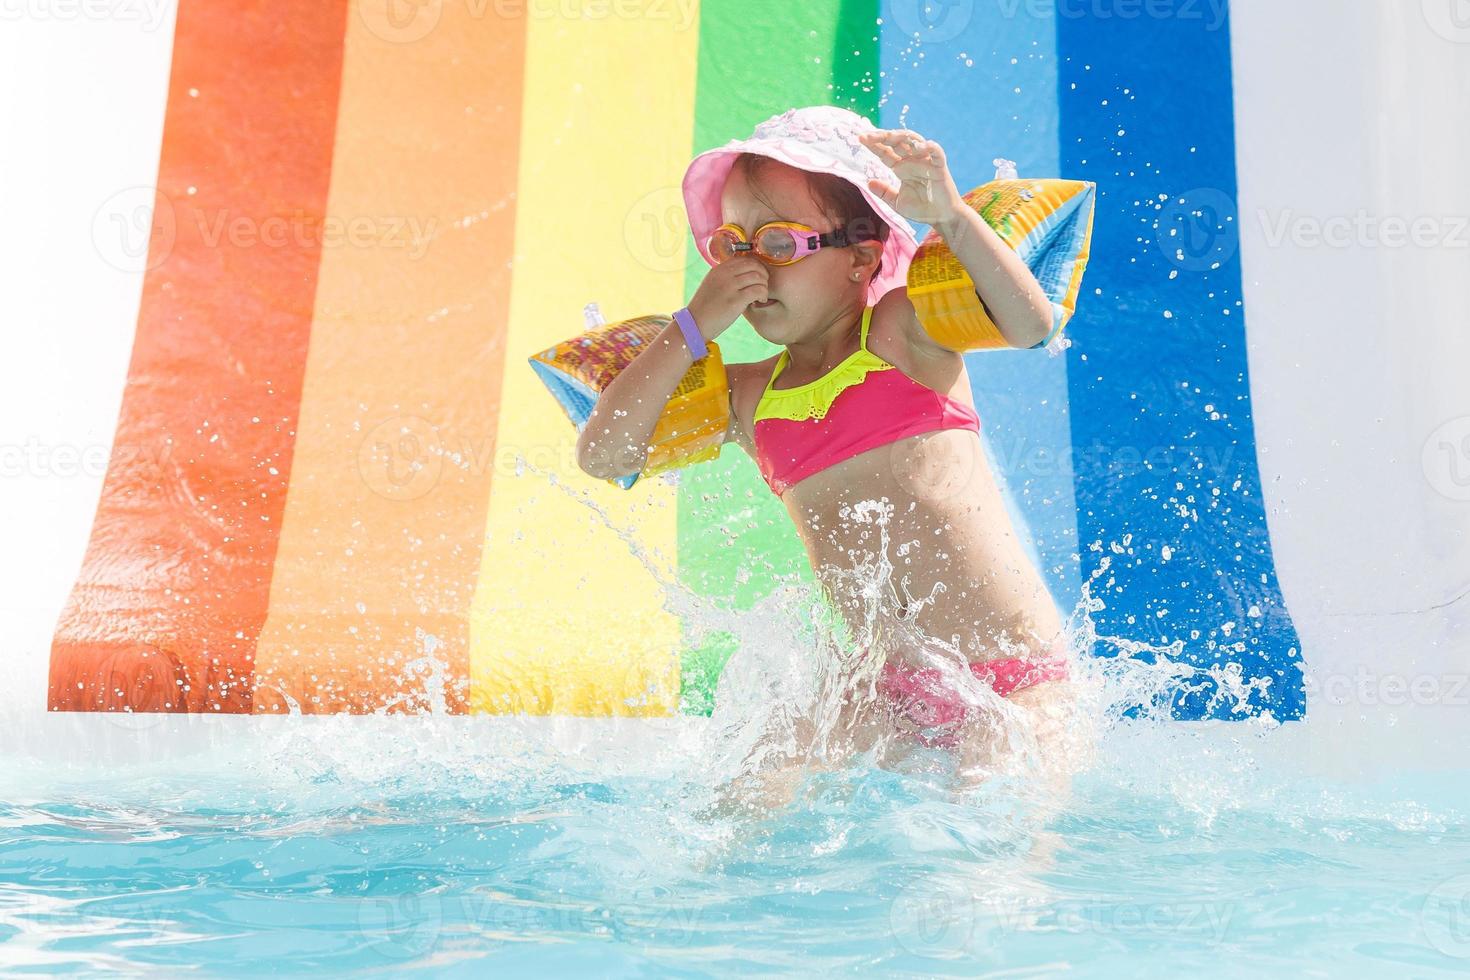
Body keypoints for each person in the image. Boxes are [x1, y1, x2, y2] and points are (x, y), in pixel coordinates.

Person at [577, 106, 1083, 806]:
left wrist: (953, 217)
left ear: (862, 256)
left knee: (989, 847)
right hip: (886, 692)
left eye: (780, 244)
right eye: (732, 247)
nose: (751, 268)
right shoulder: (750, 398)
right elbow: (605, 456)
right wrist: (691, 327)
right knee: (739, 806)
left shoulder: (906, 334)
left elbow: (1030, 325)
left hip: (1011, 676)